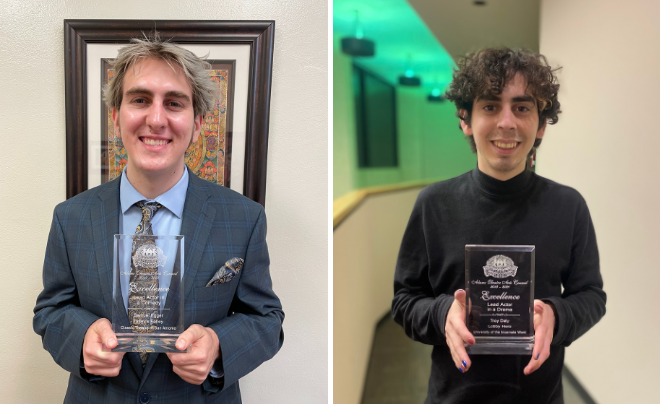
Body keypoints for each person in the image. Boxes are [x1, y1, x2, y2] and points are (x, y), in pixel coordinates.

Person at [33, 35, 284, 404]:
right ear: (116, 116)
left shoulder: (244, 217)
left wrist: (217, 346)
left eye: (174, 103)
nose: (156, 118)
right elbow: (49, 310)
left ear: (197, 123)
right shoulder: (70, 217)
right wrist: (82, 335)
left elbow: (266, 319)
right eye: (140, 99)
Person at [391, 48, 606, 403]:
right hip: (453, 396)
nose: (507, 122)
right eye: (490, 106)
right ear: (465, 119)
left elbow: (591, 295)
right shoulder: (434, 205)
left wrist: (558, 313)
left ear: (540, 125)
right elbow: (404, 301)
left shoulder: (569, 207)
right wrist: (442, 313)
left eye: (522, 107)